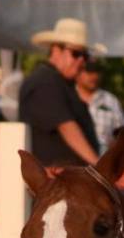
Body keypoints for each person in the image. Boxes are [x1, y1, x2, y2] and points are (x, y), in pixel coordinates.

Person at [19, 17, 101, 169]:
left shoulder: (59, 83)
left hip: (67, 182)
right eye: (76, 54)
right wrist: (99, 168)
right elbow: (67, 127)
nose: (82, 61)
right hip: (58, 184)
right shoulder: (45, 81)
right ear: (56, 50)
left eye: (86, 56)